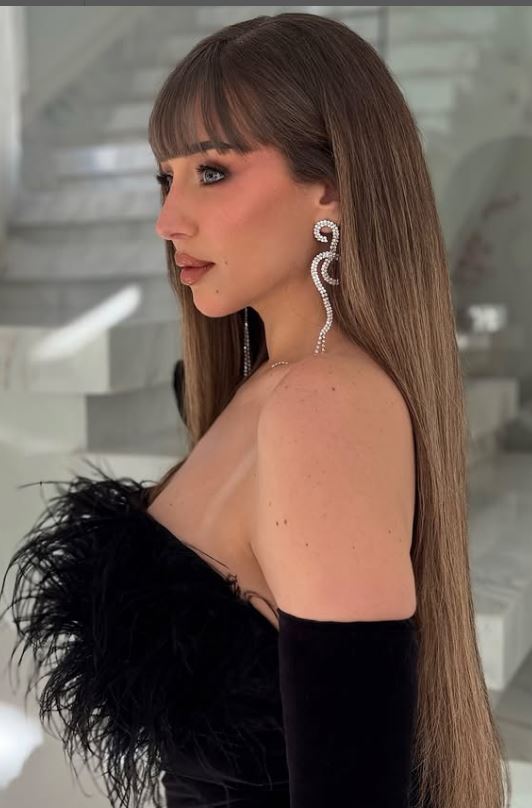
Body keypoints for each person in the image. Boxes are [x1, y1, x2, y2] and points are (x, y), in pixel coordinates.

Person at [0, 11, 511, 808]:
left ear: (330, 187)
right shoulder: (278, 385)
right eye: (164, 178)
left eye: (212, 171)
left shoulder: (323, 405)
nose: (168, 220)